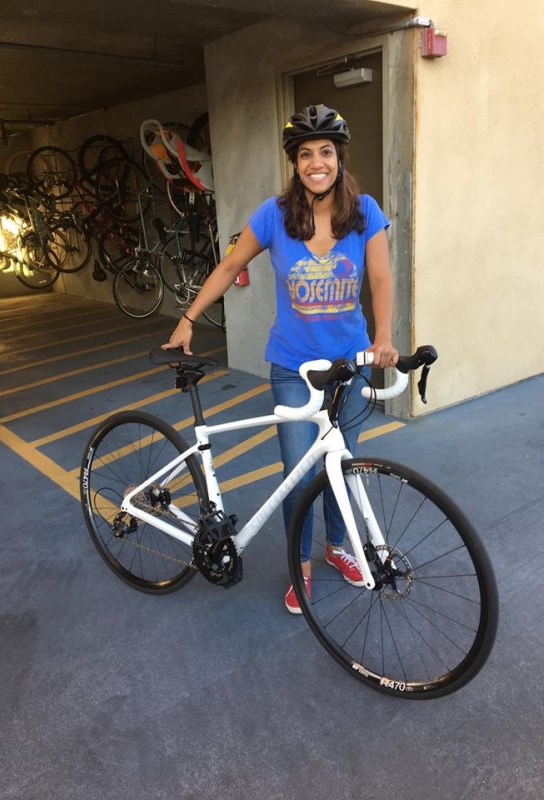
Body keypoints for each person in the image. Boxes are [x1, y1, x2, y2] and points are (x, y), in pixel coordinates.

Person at [163, 103, 399, 613]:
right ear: (295, 162)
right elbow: (230, 266)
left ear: (339, 158)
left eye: (327, 152)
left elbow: (380, 278)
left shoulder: (364, 211)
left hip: (348, 365)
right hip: (294, 369)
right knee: (298, 473)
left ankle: (339, 548)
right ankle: (302, 567)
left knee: (342, 466)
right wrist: (189, 317)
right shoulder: (274, 215)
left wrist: (383, 337)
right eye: (307, 154)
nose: (318, 162)